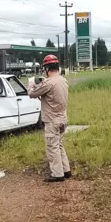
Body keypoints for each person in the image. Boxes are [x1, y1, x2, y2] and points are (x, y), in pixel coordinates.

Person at [29, 54, 71, 182]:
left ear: (46, 68)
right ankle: (66, 170)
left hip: (52, 121)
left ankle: (57, 174)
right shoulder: (63, 80)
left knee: (52, 147)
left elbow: (32, 94)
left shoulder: (49, 83)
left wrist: (31, 83)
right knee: (59, 145)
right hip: (62, 118)